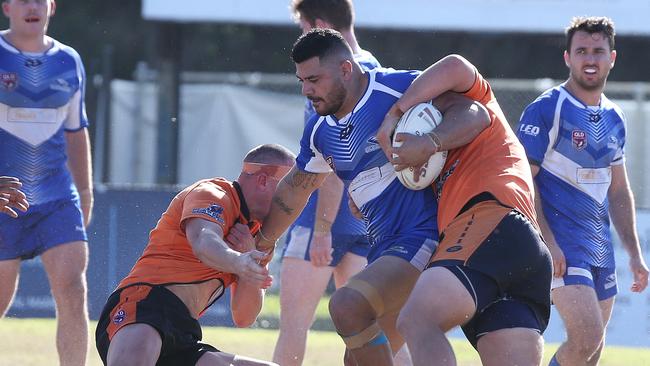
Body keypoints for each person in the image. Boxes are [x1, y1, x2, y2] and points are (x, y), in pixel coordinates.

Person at [256, 29, 490, 366]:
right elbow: (296, 187)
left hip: (426, 237)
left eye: (314, 79)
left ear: (346, 70)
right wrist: (262, 243)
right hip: (384, 247)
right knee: (357, 360)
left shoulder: (399, 89)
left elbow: (476, 114)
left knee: (347, 303)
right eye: (301, 81)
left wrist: (430, 142)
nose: (307, 90)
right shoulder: (320, 130)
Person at [376, 54, 553, 365]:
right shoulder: (434, 173)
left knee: (417, 320)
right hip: (515, 254)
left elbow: (456, 67)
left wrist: (396, 112)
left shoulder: (477, 106)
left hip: (492, 225)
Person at [516, 16, 649, 366]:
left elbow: (619, 191)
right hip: (560, 244)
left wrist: (634, 254)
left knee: (592, 352)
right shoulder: (548, 108)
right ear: (568, 58)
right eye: (582, 51)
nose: (590, 59)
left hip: (599, 246)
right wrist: (548, 241)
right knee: (587, 336)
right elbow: (523, 182)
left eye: (598, 51)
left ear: (612, 58)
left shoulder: (615, 117)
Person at [95, 144, 294, 366]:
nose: (290, 201)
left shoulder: (257, 235)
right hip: (146, 305)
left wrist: (248, 261)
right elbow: (204, 241)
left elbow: (244, 316)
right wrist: (239, 260)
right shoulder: (213, 194)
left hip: (183, 332)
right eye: (287, 189)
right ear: (264, 180)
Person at [273, 1, 384, 365]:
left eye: (304, 29)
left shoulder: (332, 75)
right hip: (367, 216)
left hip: (326, 214)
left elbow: (334, 160)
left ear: (320, 25)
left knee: (293, 327)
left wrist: (322, 228)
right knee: (367, 332)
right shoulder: (373, 66)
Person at [0, 1, 93, 365]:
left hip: (57, 196)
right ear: (7, 6)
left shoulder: (69, 60)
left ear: (52, 7)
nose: (32, 6)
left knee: (73, 289)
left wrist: (85, 192)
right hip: (6, 197)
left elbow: (76, 130)